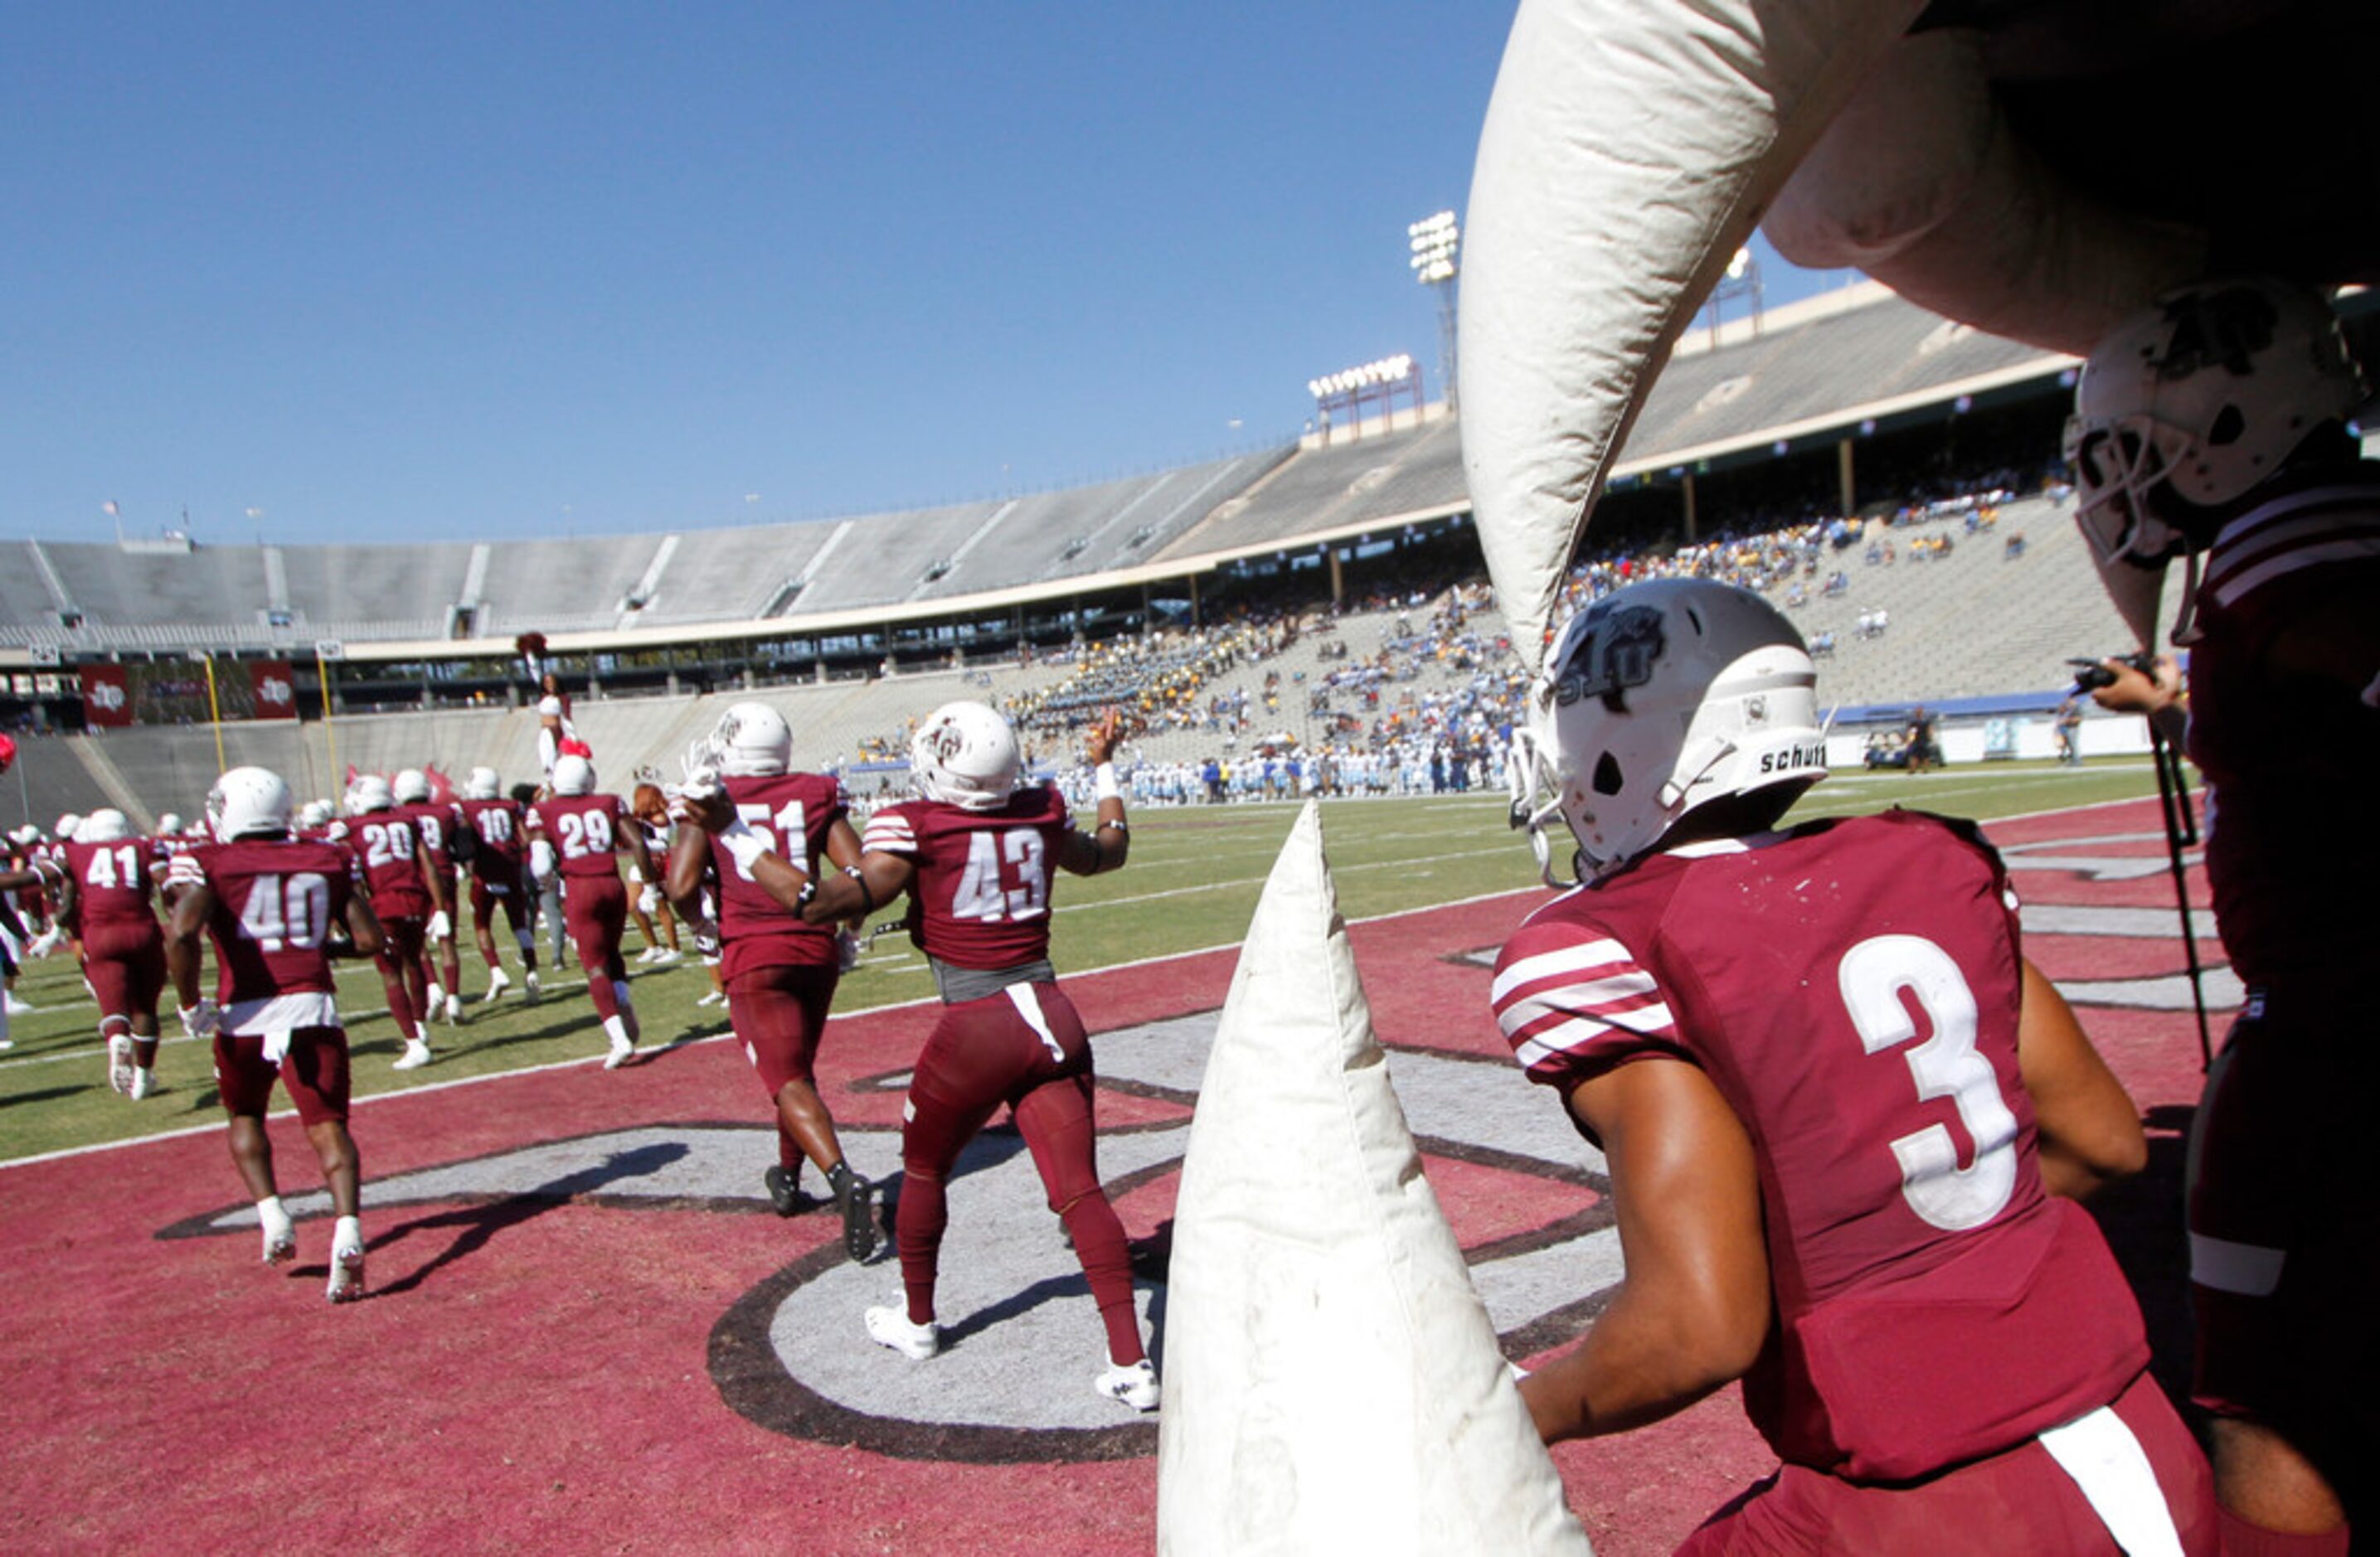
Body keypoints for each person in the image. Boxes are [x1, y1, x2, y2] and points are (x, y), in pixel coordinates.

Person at [1498, 579, 2215, 1552]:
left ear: (1621, 747)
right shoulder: (1931, 862)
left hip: (1917, 1506)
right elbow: (2103, 1145)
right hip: (2138, 1437)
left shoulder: (1611, 942)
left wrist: (1512, 1415)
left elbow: (1694, 1329)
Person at [2067, 276, 2378, 1553]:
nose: (2119, 481)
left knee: (2263, 1394)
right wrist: (2175, 706)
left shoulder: (2279, 540)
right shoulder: (2322, 527)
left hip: (2335, 1038)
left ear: (2229, 422)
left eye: (2132, 447)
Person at [682, 701, 1158, 1412]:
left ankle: (918, 1321)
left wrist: (733, 831)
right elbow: (1111, 850)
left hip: (978, 1026)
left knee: (925, 1166)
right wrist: (1104, 765)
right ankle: (1132, 1364)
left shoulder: (916, 823)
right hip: (1054, 1017)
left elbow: (816, 902)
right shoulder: (1041, 809)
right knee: (1080, 1190)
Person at [663, 702, 877, 1260]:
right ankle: (787, 1176)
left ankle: (842, 1179)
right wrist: (849, 930)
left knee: (787, 1081)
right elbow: (858, 872)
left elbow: (682, 885)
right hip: (814, 950)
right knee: (797, 1072)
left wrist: (704, 929)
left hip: (755, 953)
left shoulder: (709, 795)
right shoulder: (812, 790)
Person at [163, 766, 386, 1302]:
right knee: (330, 1129)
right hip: (312, 1006)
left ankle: (273, 1217)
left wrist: (191, 1001)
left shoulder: (208, 860)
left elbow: (182, 930)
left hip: (245, 1015)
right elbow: (369, 939)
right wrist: (315, 950)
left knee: (245, 1117)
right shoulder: (325, 855)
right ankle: (348, 1229)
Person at [530, 754, 655, 1069]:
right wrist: (651, 886)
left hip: (581, 888)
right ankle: (623, 998)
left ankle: (618, 1039)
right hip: (612, 884)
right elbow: (638, 844)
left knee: (594, 965)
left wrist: (545, 883)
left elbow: (542, 862)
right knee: (611, 952)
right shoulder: (608, 802)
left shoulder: (545, 810)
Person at [56, 809, 168, 1099]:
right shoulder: (144, 847)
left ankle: (117, 1038)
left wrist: (53, 933)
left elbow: (66, 906)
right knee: (145, 1008)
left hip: (101, 934)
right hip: (142, 929)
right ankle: (144, 1076)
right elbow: (164, 881)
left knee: (113, 1004)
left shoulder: (76, 852)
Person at [343, 774, 447, 1072]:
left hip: (384, 904)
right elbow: (427, 864)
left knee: (391, 974)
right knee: (414, 962)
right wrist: (438, 908)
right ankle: (419, 1025)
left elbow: (355, 877)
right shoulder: (407, 822)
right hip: (416, 899)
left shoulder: (353, 829)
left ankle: (414, 1042)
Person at [457, 767, 539, 1002]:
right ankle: (532, 973)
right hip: (510, 871)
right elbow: (525, 840)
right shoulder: (512, 806)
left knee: (482, 925)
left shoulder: (467, 808)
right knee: (520, 927)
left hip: (485, 874)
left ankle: (496, 971)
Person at [391, 767, 467, 1021]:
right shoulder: (447, 812)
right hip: (444, 874)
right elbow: (462, 846)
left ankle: (433, 986)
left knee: (417, 939)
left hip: (415, 877)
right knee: (447, 939)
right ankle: (454, 997)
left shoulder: (398, 816)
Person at [2054, 691, 2086, 766]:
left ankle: (2077, 760)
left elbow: (2078, 719)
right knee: (2070, 744)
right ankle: (2073, 760)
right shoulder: (2070, 709)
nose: (2068, 702)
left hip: (2073, 728)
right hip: (2069, 728)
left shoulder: (2077, 708)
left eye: (2069, 700)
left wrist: (2066, 721)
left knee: (2073, 744)